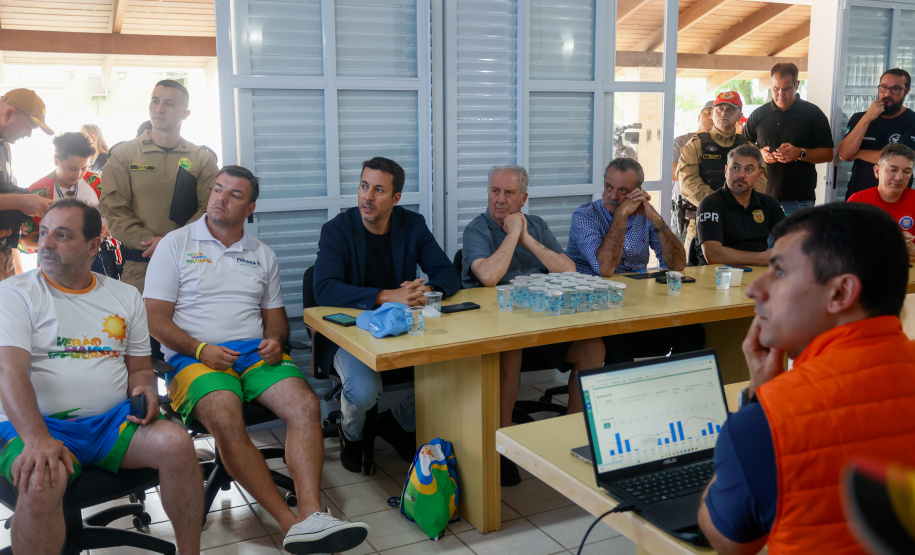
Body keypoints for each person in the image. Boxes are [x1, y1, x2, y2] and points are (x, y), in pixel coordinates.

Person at [145, 166, 370, 554]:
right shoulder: (175, 244)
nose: (220, 198)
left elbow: (277, 321)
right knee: (227, 417)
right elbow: (154, 318)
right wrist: (201, 350)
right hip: (194, 356)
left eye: (233, 194)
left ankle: (313, 513)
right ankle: (291, 524)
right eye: (218, 189)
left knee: (305, 404)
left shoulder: (262, 254)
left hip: (253, 353)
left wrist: (274, 341)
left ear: (250, 207)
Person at [697, 202, 915, 554]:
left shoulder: (765, 424)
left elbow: (729, 541)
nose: (756, 290)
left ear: (841, 293)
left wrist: (760, 400)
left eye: (780, 273)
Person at [0, 199, 203, 554]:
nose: (46, 243)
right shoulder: (15, 295)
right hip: (39, 425)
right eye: (44, 232)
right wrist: (37, 439)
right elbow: (9, 371)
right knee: (41, 479)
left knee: (177, 443)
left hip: (111, 422)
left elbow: (140, 368)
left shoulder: (124, 297)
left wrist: (144, 391)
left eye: (62, 235)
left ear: (94, 245)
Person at [314, 157, 460, 474]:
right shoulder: (337, 230)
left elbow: (448, 273)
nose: (367, 197)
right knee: (364, 391)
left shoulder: (412, 225)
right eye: (364, 186)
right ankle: (350, 435)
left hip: (398, 328)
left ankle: (395, 422)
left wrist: (426, 289)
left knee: (457, 369)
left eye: (379, 190)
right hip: (348, 332)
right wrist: (385, 295)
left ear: (395, 198)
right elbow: (324, 288)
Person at [461, 164, 605, 485]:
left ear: (523, 198)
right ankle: (503, 443)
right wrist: (512, 234)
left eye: (509, 193)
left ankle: (569, 432)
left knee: (593, 348)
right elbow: (488, 276)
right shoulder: (477, 229)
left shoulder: (536, 225)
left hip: (542, 324)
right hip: (497, 329)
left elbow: (568, 269)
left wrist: (525, 236)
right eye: (494, 191)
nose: (500, 200)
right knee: (510, 349)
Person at [100, 79, 218, 294]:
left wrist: (171, 243)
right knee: (143, 326)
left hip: (190, 262)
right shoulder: (124, 154)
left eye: (169, 104)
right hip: (140, 265)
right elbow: (114, 210)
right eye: (155, 101)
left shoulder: (201, 158)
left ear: (185, 114)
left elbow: (208, 209)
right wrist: (154, 244)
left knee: (193, 325)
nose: (159, 109)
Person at [19, 132, 120, 277]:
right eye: (72, 168)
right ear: (56, 160)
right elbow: (23, 243)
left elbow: (117, 215)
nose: (78, 174)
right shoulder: (37, 192)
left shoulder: (98, 183)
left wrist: (109, 226)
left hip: (98, 260)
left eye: (84, 168)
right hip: (55, 262)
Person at [742, 63, 835, 215]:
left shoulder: (813, 114)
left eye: (786, 89)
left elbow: (828, 154)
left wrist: (800, 153)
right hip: (761, 198)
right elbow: (741, 148)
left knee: (797, 240)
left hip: (800, 200)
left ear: (797, 85)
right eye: (775, 89)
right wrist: (760, 153)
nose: (780, 94)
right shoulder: (759, 114)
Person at [678, 91, 767, 248]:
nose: (724, 112)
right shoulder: (695, 145)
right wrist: (721, 205)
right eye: (720, 108)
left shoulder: (750, 149)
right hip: (702, 221)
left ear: (740, 116)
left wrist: (734, 208)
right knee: (695, 271)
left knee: (742, 270)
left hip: (740, 223)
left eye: (731, 109)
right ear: (712, 113)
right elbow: (688, 183)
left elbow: (760, 184)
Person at [568, 157, 686, 275]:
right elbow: (605, 269)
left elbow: (678, 265)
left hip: (636, 289)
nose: (613, 196)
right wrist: (621, 215)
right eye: (608, 187)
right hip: (595, 290)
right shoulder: (585, 216)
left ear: (638, 191)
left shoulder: (643, 213)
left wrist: (657, 220)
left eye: (622, 191)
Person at [695, 144, 786, 265]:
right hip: (718, 278)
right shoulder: (710, 203)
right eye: (736, 168)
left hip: (757, 277)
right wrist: (763, 258)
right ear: (726, 170)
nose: (741, 175)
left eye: (749, 169)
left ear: (759, 175)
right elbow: (713, 255)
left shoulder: (769, 204)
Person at [0, 89, 54, 281]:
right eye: (29, 126)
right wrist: (20, 201)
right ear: (9, 113)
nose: (29, 135)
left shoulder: (3, 145)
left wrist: (26, 205)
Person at [838, 69, 915, 199]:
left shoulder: (912, 120)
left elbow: (898, 159)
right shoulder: (860, 118)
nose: (887, 93)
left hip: (896, 199)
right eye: (883, 87)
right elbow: (844, 154)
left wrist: (858, 153)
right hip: (859, 196)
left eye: (895, 88)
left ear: (906, 91)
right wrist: (867, 118)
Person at [848, 143, 915, 261]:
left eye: (907, 172)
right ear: (877, 171)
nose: (899, 177)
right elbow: (846, 246)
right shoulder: (858, 201)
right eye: (893, 170)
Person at [671, 100, 714, 241]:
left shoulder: (723, 145)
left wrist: (692, 173)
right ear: (698, 117)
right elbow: (673, 171)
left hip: (711, 212)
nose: (711, 116)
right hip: (682, 213)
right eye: (707, 112)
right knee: (675, 258)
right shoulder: (681, 141)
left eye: (715, 114)